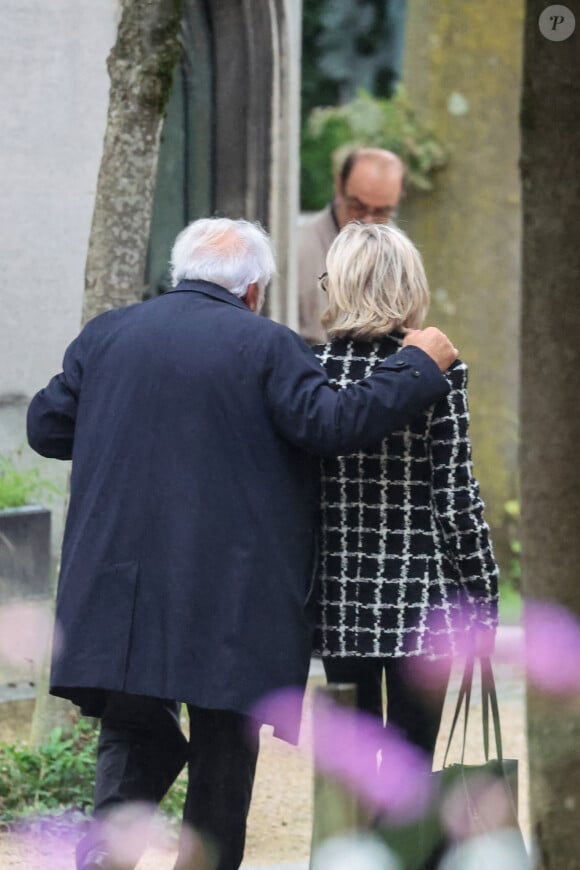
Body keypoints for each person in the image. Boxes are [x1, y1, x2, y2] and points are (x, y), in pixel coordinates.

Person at [26, 217, 458, 870]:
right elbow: (332, 425)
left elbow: (46, 427)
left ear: (180, 275)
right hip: (227, 594)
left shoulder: (107, 336)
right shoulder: (267, 347)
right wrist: (418, 366)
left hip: (122, 590)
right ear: (253, 289)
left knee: (132, 725)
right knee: (224, 754)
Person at [313, 221, 499, 768]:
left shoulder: (310, 373)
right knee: (412, 772)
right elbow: (456, 495)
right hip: (421, 599)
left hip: (339, 595)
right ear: (408, 287)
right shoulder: (438, 371)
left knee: (352, 773)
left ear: (340, 285)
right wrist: (483, 599)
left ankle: (350, 853)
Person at [298, 147, 405, 343]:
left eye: (382, 212)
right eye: (358, 207)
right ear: (339, 187)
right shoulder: (299, 249)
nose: (368, 221)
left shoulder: (402, 257)